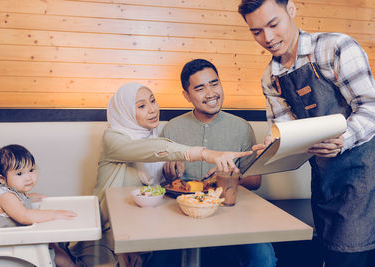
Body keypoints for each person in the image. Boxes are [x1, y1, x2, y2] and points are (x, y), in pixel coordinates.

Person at [238, 1, 375, 266]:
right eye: (256, 32)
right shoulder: (270, 78)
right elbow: (288, 133)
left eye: (273, 24)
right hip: (325, 180)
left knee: (353, 255)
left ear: (291, 9)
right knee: (331, 253)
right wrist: (273, 147)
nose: (267, 38)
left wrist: (343, 140)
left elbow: (370, 106)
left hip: (364, 175)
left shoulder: (335, 47)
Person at [70, 82, 254, 267]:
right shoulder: (112, 139)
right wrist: (206, 154)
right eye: (142, 106)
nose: (152, 110)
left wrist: (172, 173)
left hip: (145, 231)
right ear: (124, 111)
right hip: (106, 233)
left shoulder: (152, 138)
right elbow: (152, 150)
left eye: (153, 101)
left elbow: (153, 190)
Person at [161, 58, 277, 267]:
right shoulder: (171, 129)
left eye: (215, 84)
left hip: (232, 212)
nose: (211, 93)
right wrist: (169, 174)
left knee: (264, 258)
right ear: (187, 95)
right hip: (183, 214)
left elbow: (255, 181)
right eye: (200, 88)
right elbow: (162, 182)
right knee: (157, 260)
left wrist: (227, 177)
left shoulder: (241, 127)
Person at [0, 144, 78, 267]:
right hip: (0, 249)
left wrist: (30, 197)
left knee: (52, 245)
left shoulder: (14, 192)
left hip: (14, 240)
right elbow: (25, 216)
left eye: (31, 170)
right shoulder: (6, 197)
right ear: (2, 179)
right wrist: (55, 214)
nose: (28, 177)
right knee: (48, 248)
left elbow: (17, 204)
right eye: (19, 174)